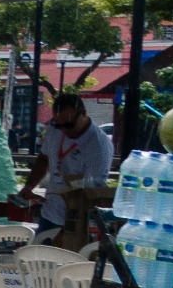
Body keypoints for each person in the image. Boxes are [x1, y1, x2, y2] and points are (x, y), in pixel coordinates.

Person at [25, 93, 111, 246]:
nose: (63, 130)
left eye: (69, 124)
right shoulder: (54, 127)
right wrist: (29, 186)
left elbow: (92, 189)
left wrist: (67, 229)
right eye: (59, 125)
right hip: (50, 213)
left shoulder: (98, 144)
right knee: (37, 263)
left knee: (67, 267)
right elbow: (43, 158)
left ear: (83, 114)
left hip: (77, 221)